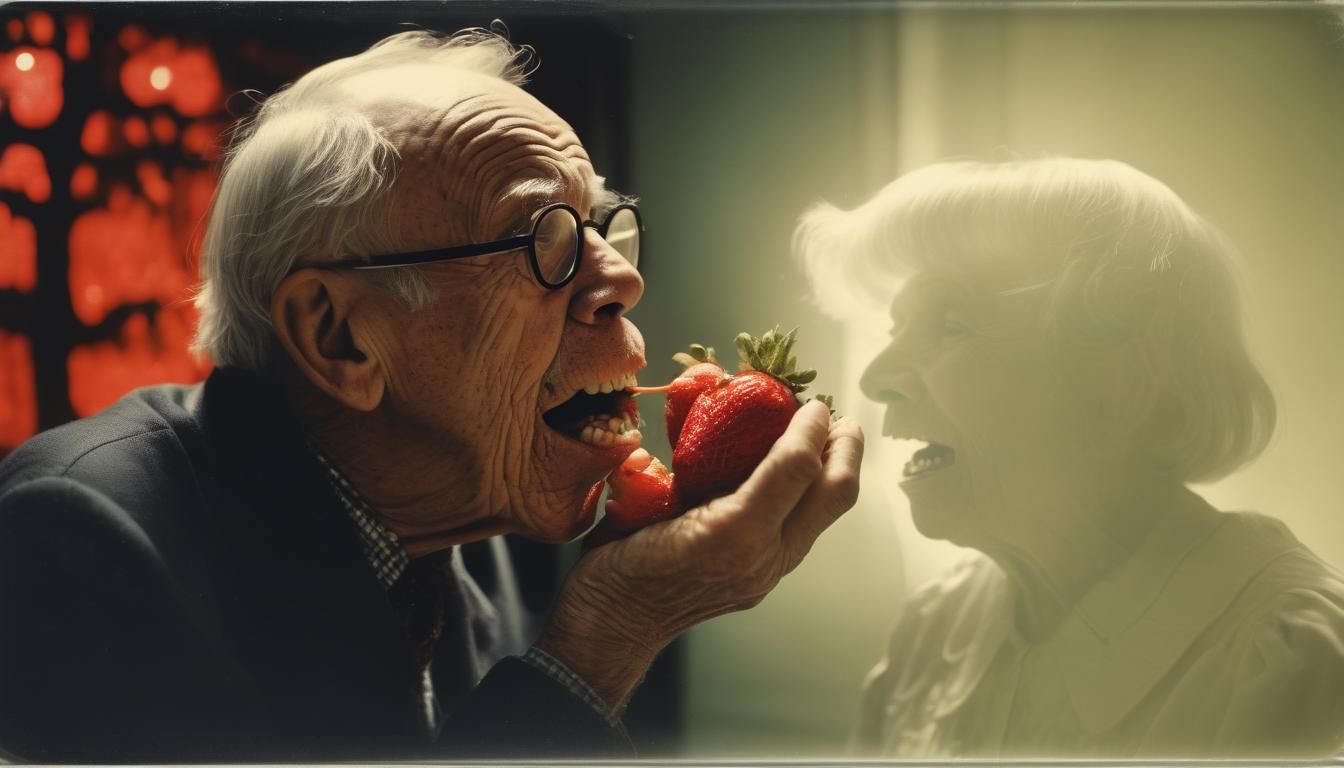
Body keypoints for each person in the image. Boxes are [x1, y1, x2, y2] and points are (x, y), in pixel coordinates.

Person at [0, 28, 863, 762]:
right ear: (339, 337)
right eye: (544, 238)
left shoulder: (462, 518)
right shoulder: (76, 542)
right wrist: (607, 636)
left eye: (602, 228)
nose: (623, 280)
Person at [795, 157, 1344, 758]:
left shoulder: (1290, 660)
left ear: (1122, 382)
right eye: (896, 329)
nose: (874, 379)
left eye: (951, 324)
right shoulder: (933, 631)